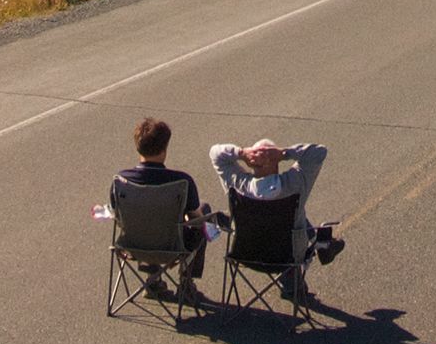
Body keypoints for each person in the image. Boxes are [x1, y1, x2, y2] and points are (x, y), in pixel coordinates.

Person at [112, 116, 213, 296]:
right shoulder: (181, 181)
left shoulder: (121, 180)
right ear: (164, 149)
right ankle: (186, 282)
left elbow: (116, 215)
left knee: (145, 220)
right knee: (203, 211)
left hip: (133, 246)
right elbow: (197, 219)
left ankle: (153, 279)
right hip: (171, 248)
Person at [211, 136, 344, 272]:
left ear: (251, 163)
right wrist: (284, 153)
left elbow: (215, 153)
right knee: (293, 213)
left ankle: (317, 248)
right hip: (288, 257)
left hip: (245, 253)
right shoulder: (293, 184)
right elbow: (319, 152)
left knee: (279, 216)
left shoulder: (237, 185)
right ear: (276, 163)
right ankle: (297, 280)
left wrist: (242, 153)